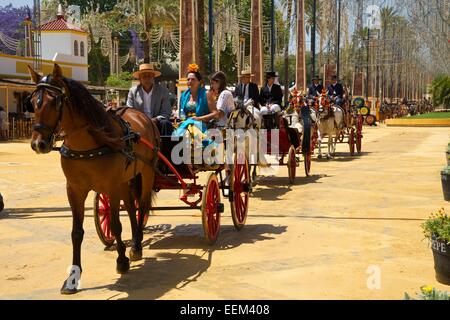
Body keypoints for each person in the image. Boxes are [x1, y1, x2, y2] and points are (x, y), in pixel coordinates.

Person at [126, 63, 173, 135]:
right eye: (144, 76)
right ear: (140, 78)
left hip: (157, 122)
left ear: (153, 77)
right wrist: (141, 120)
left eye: (149, 75)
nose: (147, 78)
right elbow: (129, 111)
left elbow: (166, 112)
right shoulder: (133, 91)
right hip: (139, 122)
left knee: (165, 124)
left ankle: (166, 146)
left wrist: (156, 119)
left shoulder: (163, 91)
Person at [175, 64, 218, 134]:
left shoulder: (206, 94)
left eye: (193, 79)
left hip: (202, 126)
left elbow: (215, 114)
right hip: (185, 126)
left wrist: (199, 119)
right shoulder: (183, 96)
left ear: (199, 82)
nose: (189, 81)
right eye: (188, 79)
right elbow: (181, 114)